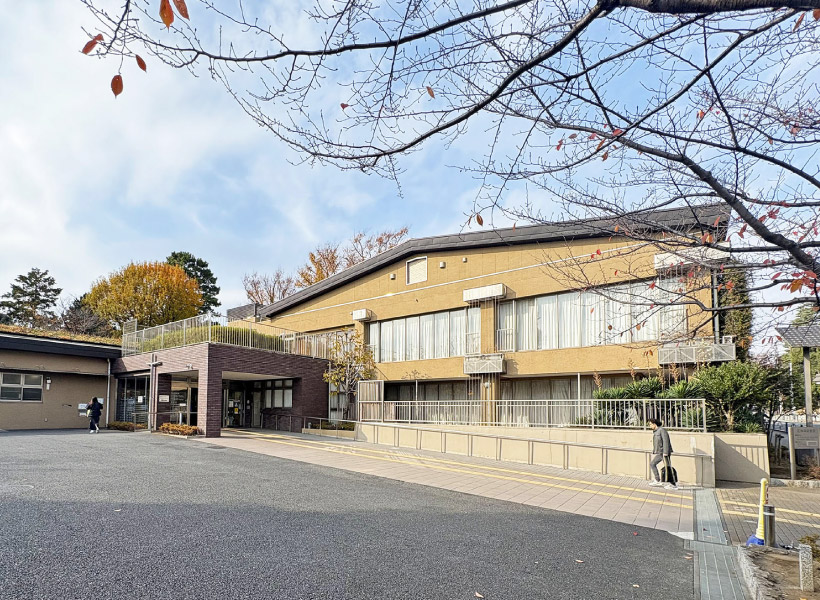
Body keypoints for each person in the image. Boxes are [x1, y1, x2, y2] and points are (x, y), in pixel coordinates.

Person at [648, 417, 676, 489]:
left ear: (654, 424)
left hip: (664, 453)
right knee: (652, 464)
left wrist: (666, 452)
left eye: (650, 424)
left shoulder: (662, 430)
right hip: (660, 453)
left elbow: (666, 441)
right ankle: (657, 480)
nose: (650, 426)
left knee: (668, 468)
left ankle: (673, 484)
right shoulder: (656, 431)